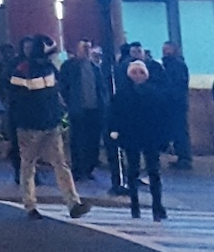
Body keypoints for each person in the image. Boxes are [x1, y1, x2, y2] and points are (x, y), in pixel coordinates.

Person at [10, 34, 92, 221]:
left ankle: (72, 203)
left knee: (56, 164)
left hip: (48, 123)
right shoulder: (24, 70)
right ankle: (30, 204)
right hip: (32, 126)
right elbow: (17, 100)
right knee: (31, 164)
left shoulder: (44, 68)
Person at [113, 59, 169, 221]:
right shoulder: (123, 94)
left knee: (153, 171)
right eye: (135, 72)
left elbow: (162, 118)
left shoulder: (153, 93)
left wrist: (163, 137)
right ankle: (135, 204)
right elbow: (116, 115)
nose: (138, 76)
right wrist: (116, 131)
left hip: (147, 135)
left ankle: (157, 205)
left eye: (141, 72)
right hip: (133, 135)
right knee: (133, 171)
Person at [61, 38, 105, 180]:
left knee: (93, 140)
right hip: (77, 109)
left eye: (88, 48)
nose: (86, 51)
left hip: (94, 109)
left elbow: (101, 88)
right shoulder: (69, 66)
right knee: (77, 140)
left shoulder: (95, 67)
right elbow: (63, 87)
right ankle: (78, 168)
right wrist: (68, 103)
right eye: (83, 48)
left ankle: (89, 167)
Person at [159, 43, 193, 170]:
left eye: (168, 49)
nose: (165, 52)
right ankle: (181, 156)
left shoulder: (176, 65)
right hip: (175, 103)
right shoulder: (171, 64)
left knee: (180, 131)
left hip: (176, 104)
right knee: (178, 131)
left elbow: (176, 85)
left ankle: (184, 157)